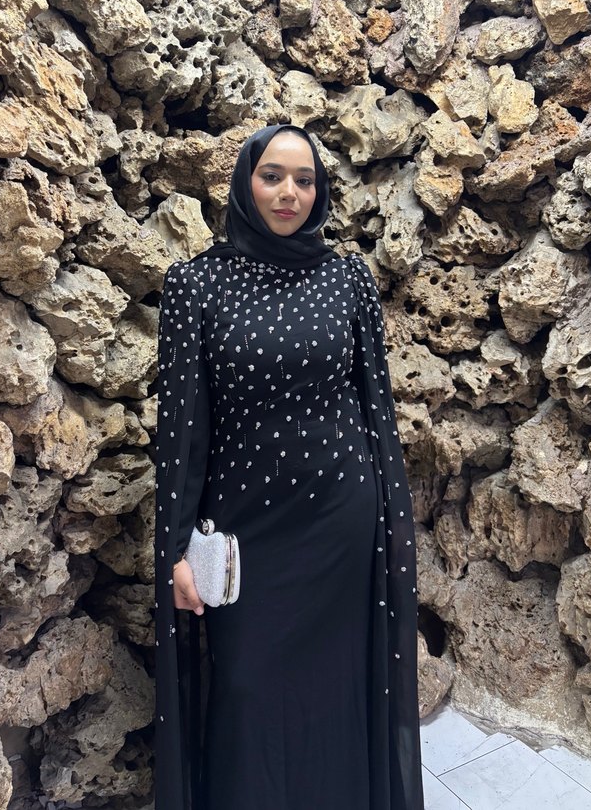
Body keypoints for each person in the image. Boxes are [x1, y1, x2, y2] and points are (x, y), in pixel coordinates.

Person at [153, 123, 424, 810]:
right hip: (245, 534)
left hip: (340, 522)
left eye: (305, 180)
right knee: (246, 686)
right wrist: (175, 548)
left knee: (338, 685)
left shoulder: (347, 280)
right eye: (272, 176)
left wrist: (392, 522)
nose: (288, 193)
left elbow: (375, 406)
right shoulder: (195, 285)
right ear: (245, 182)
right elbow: (183, 432)